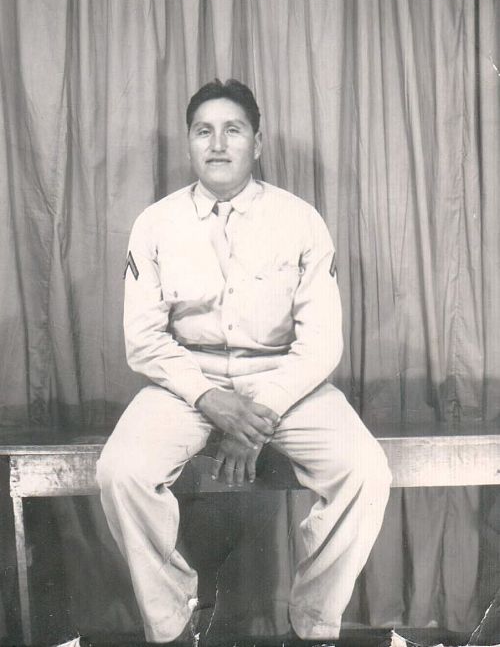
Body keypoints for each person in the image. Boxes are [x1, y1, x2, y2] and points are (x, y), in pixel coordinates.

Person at [96, 78, 392, 644]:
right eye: (203, 131)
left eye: (232, 130)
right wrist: (211, 400)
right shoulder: (155, 223)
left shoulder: (300, 220)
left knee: (365, 471)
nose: (217, 143)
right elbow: (144, 338)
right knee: (121, 472)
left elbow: (321, 342)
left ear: (257, 143)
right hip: (186, 382)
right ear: (189, 142)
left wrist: (258, 413)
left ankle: (313, 625)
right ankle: (172, 625)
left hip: (286, 380)